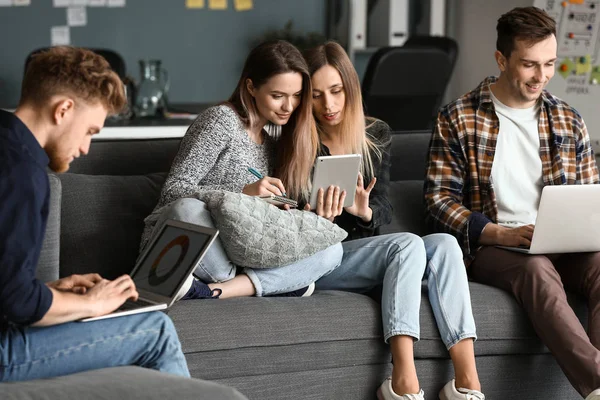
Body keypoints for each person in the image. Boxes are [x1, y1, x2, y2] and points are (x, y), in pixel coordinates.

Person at [424, 7, 600, 400]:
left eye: (550, 64)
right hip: (495, 244)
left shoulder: (568, 119)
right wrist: (498, 232)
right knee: (536, 269)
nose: (542, 76)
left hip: (562, 241)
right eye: (529, 65)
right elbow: (438, 200)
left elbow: (591, 195)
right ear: (502, 60)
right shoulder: (458, 117)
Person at [303, 41, 484, 400]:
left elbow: (382, 208)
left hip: (362, 249)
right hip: (322, 258)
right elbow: (289, 216)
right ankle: (404, 380)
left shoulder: (376, 134)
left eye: (336, 91)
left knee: (445, 244)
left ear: (351, 89)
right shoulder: (299, 140)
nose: (329, 105)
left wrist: (363, 210)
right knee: (407, 243)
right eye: (317, 95)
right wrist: (316, 215)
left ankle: (467, 381)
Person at [0, 46, 191, 381]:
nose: (86, 148)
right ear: (63, 110)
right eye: (89, 131)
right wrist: (92, 305)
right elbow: (16, 303)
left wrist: (53, 290)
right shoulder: (23, 174)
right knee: (156, 331)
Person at [140, 40, 343, 301]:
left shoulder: (272, 145)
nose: (288, 107)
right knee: (187, 209)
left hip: (240, 253)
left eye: (296, 96)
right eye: (278, 96)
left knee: (331, 249)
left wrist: (286, 212)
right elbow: (173, 191)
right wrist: (241, 194)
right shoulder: (220, 121)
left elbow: (254, 224)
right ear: (251, 87)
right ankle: (271, 285)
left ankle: (221, 291)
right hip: (194, 248)